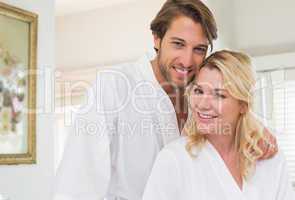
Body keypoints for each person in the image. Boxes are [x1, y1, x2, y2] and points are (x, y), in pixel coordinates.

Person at [54, 1, 278, 200]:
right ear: (157, 39)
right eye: (178, 44)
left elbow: (234, 109)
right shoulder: (113, 88)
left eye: (198, 49)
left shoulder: (202, 90)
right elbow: (77, 187)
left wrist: (256, 129)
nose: (187, 60)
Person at [142, 50, 294, 200]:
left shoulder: (269, 156)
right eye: (199, 91)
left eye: (219, 95)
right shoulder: (174, 158)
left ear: (243, 105)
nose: (202, 104)